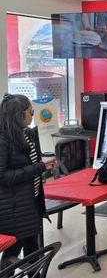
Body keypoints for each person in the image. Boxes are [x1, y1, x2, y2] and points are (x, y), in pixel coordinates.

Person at [0, 94, 56, 268]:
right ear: (18, 114)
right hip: (14, 207)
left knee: (33, 250)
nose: (33, 114)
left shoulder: (27, 133)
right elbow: (3, 177)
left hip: (31, 201)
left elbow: (31, 164)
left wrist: (43, 168)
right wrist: (38, 167)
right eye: (30, 112)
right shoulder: (3, 139)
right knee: (13, 252)